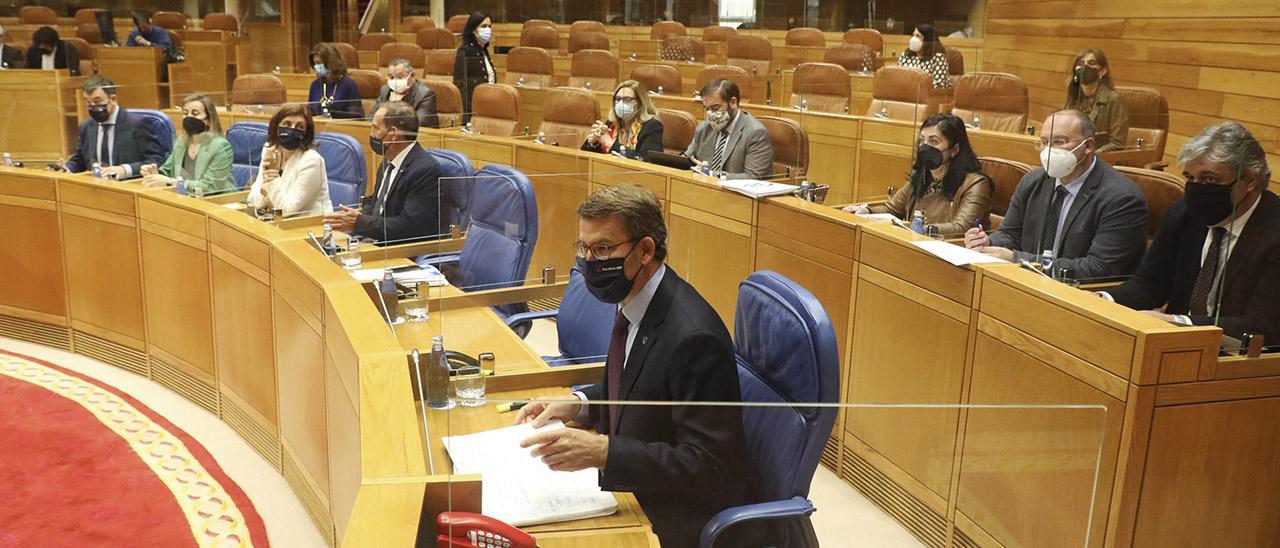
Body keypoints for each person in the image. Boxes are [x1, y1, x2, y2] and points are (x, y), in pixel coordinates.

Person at [514, 184, 754, 548]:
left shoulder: (692, 338)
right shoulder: (635, 299)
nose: (590, 262)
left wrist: (605, 452)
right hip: (632, 489)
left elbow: (710, 468)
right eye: (584, 248)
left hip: (670, 515)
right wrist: (579, 403)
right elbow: (636, 386)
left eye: (603, 249)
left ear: (645, 251)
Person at [1101, 122, 1280, 342]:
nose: (1196, 189)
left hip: (1247, 363)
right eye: (1190, 178)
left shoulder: (1274, 232)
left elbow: (1262, 326)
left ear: (1250, 180)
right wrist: (1101, 300)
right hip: (1174, 347)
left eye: (1209, 179)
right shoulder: (1183, 214)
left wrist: (1177, 323)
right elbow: (1150, 285)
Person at [964, 110, 1147, 281]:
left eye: (1059, 141)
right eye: (1044, 142)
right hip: (1029, 284)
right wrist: (988, 241)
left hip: (1082, 295)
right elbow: (1011, 234)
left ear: (1088, 146)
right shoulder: (1033, 181)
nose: (1049, 150)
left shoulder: (1120, 198)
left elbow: (1099, 268)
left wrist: (1018, 260)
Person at [843, 113, 992, 237]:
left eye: (933, 141)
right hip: (916, 244)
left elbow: (961, 228)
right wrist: (866, 211)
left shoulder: (975, 184)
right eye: (922, 140)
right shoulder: (923, 174)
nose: (924, 147)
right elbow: (893, 209)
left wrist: (918, 229)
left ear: (955, 149)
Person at [322, 101, 443, 243]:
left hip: (399, 251)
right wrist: (351, 217)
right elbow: (377, 206)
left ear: (392, 133)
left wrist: (359, 222)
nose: (371, 134)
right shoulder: (388, 162)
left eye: (375, 128)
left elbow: (411, 226)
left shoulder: (425, 170)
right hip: (374, 241)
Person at [62, 76, 168, 178]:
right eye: (88, 102)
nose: (92, 107)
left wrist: (125, 169)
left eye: (97, 101)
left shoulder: (138, 124)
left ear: (113, 99)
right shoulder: (87, 126)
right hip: (96, 186)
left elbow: (157, 160)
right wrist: (66, 169)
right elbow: (80, 159)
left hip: (128, 186)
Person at [139, 93, 235, 194]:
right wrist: (155, 173)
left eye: (195, 113)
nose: (188, 117)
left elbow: (210, 187)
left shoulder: (220, 146)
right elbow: (168, 170)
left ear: (208, 120)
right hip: (187, 199)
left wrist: (171, 182)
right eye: (185, 113)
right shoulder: (181, 141)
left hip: (218, 202)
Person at [247, 104, 333, 217]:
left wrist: (272, 178)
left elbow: (286, 210)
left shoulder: (312, 160)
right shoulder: (270, 150)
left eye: (300, 127)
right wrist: (263, 195)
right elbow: (253, 200)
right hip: (275, 223)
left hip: (309, 228)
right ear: (276, 127)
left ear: (306, 133)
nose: (292, 130)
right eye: (287, 124)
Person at [683, 79, 772, 180]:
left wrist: (711, 174)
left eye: (715, 108)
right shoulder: (704, 128)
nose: (710, 114)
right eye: (707, 109)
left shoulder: (755, 133)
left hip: (735, 194)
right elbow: (685, 160)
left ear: (733, 102)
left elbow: (754, 177)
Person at [1063, 49, 1129, 153]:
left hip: (1099, 160)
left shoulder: (1114, 99)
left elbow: (1118, 144)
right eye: (1080, 63)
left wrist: (1089, 156)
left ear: (1102, 71)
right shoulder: (1072, 97)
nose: (1085, 67)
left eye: (1091, 63)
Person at [582, 80, 664, 160]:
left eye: (627, 99)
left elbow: (646, 160)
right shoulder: (611, 123)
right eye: (617, 99)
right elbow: (586, 160)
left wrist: (609, 143)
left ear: (640, 102)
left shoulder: (652, 126)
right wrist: (593, 142)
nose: (621, 103)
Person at [453, 11, 495, 124]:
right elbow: (461, 86)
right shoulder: (465, 51)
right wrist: (467, 118)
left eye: (490, 26)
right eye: (484, 26)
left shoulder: (484, 50)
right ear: (473, 29)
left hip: (488, 106)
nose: (488, 30)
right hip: (473, 112)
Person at [376, 57, 438, 128]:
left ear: (412, 76)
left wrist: (395, 105)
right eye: (392, 77)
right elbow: (371, 118)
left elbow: (415, 127)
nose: (395, 82)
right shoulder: (385, 90)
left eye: (399, 77)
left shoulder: (425, 95)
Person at [307, 43, 363, 120]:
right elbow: (310, 113)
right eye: (315, 64)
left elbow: (357, 117)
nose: (317, 67)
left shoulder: (349, 84)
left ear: (331, 62)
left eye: (319, 63)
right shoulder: (315, 85)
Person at [898, 24, 951, 89]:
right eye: (913, 35)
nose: (913, 39)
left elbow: (939, 85)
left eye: (918, 36)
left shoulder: (938, 58)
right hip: (906, 93)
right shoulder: (905, 55)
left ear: (928, 40)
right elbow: (898, 79)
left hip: (930, 96)